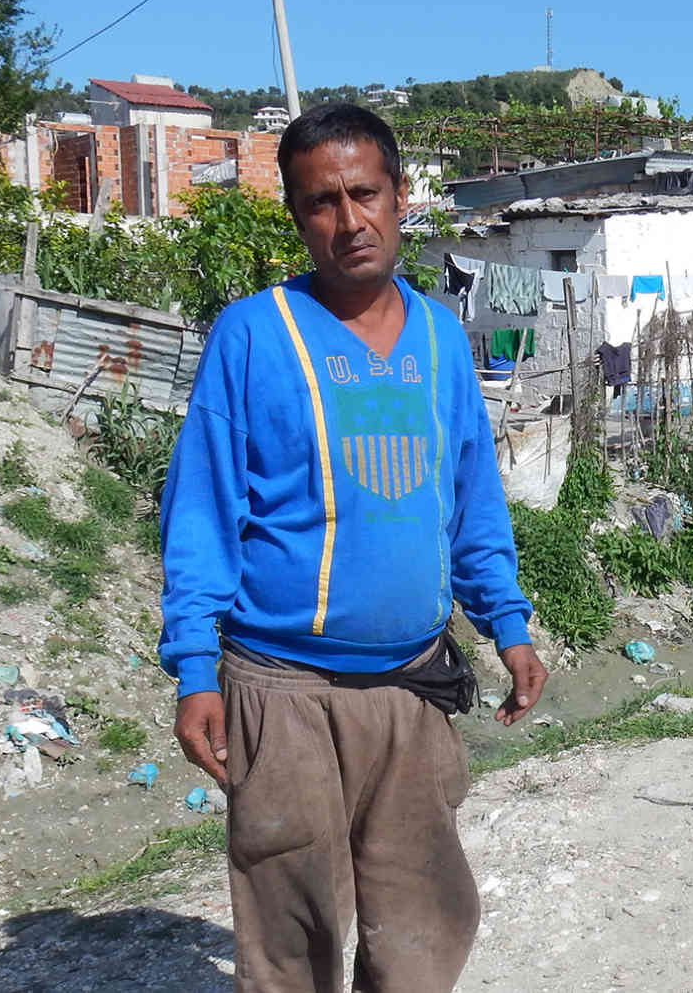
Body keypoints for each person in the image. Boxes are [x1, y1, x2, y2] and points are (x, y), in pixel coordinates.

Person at [157, 102, 547, 992]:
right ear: (298, 219)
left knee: (426, 921)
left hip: (411, 690)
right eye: (320, 204)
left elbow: (471, 504)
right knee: (292, 935)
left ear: (401, 197)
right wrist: (195, 672)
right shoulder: (253, 337)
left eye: (364, 194)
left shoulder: (444, 343)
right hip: (282, 693)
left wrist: (508, 625)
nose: (348, 222)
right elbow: (203, 519)